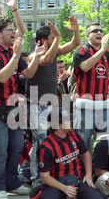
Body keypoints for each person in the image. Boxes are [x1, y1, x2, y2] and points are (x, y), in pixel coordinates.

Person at [0, 16, 46, 199]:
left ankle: (13, 183)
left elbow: (29, 73)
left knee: (17, 147)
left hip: (14, 109)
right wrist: (16, 56)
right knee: (0, 150)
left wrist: (37, 57)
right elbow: (1, 76)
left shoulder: (12, 51)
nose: (14, 32)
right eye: (10, 29)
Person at [37, 107, 107, 199]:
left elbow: (86, 153)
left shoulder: (74, 136)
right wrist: (64, 188)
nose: (72, 121)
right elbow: (45, 177)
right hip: (56, 184)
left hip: (78, 181)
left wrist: (88, 175)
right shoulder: (46, 146)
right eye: (68, 120)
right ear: (60, 125)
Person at [26, 17, 80, 186]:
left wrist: (76, 31)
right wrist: (57, 37)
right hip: (35, 105)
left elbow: (74, 44)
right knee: (39, 141)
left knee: (49, 141)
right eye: (51, 38)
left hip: (50, 105)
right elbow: (47, 60)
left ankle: (27, 173)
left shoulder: (55, 50)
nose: (55, 39)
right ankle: (36, 180)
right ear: (42, 41)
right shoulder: (33, 56)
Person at [72, 22, 109, 147]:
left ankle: (98, 167)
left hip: (104, 107)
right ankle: (82, 167)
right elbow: (84, 67)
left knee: (106, 144)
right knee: (82, 144)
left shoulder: (107, 53)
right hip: (85, 107)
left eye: (101, 31)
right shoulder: (82, 50)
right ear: (87, 36)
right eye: (95, 31)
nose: (99, 33)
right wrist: (102, 49)